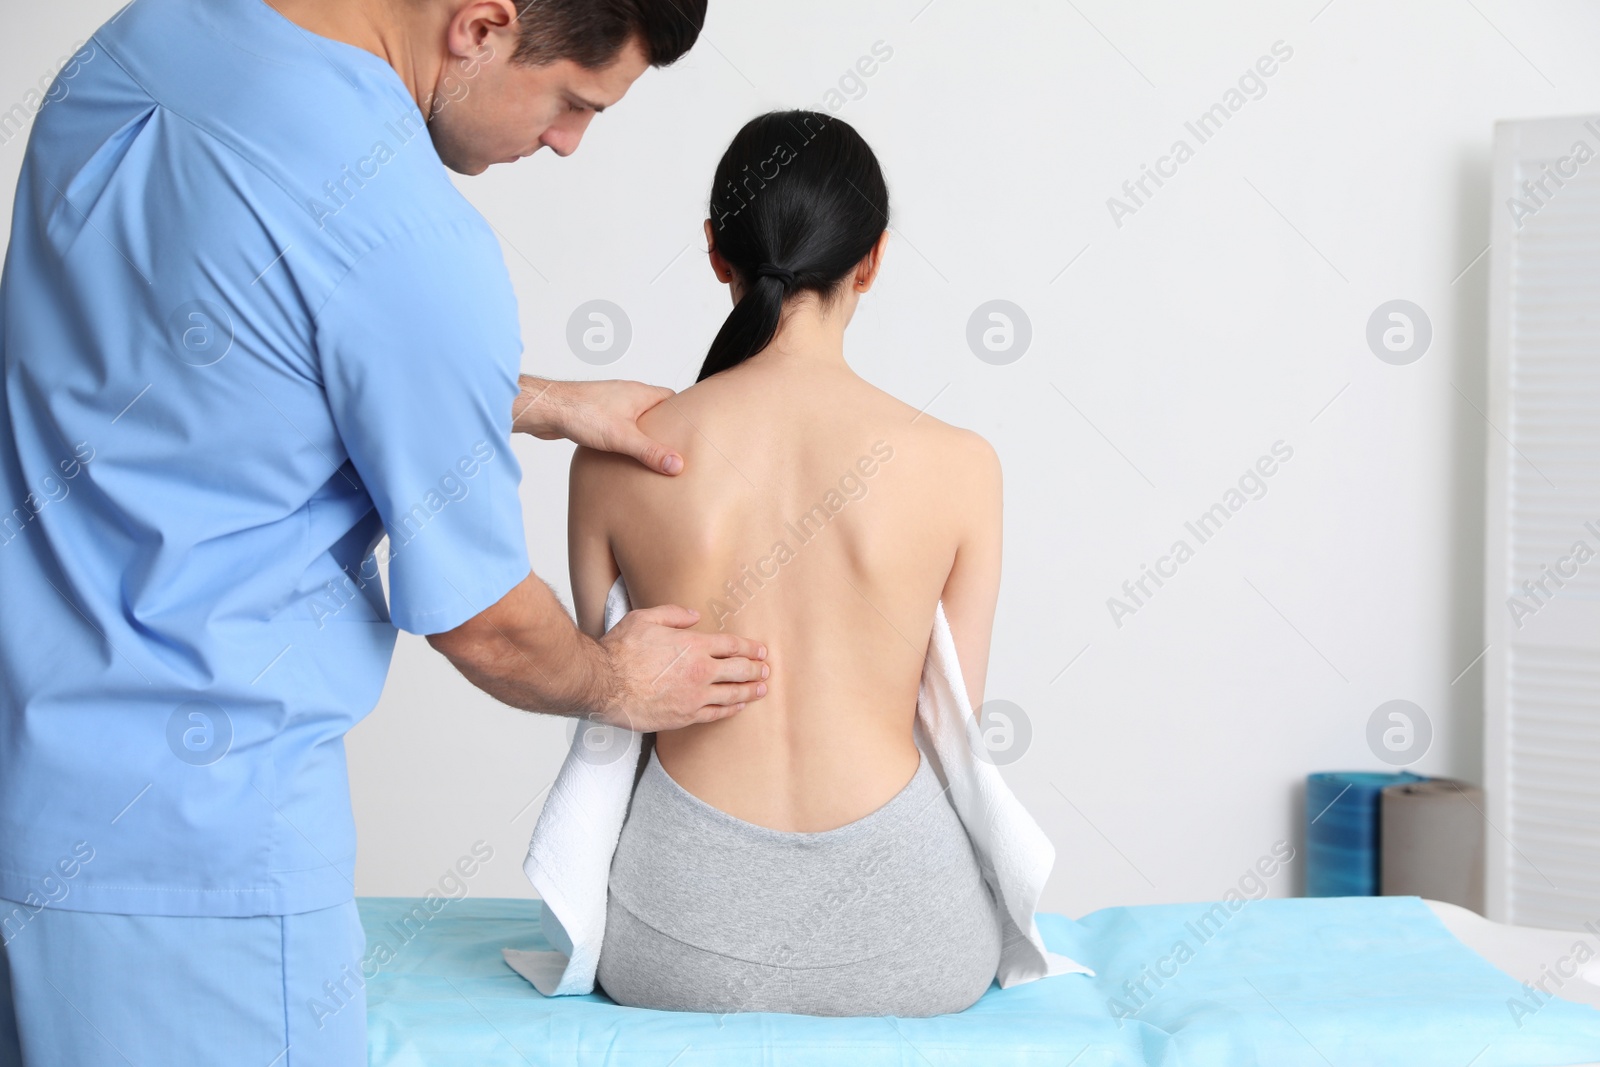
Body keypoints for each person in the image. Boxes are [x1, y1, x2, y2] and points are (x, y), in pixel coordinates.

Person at [0, 1, 770, 1063]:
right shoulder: (410, 236)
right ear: (483, 24)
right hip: (201, 864)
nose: (565, 142)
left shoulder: (149, 38)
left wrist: (529, 396)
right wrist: (615, 680)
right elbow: (487, 624)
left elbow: (216, 358)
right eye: (572, 102)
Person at [568, 111, 1007, 1017]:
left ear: (716, 253)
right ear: (873, 259)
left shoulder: (618, 456)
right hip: (912, 937)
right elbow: (952, 717)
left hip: (676, 937)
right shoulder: (961, 464)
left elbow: (609, 692)